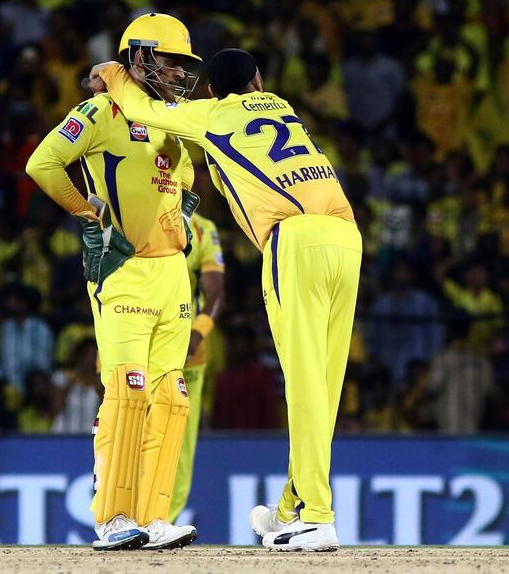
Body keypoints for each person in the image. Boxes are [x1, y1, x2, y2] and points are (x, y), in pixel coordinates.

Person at [92, 47, 362, 552]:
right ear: (259, 79)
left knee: (304, 385)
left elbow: (142, 110)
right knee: (325, 385)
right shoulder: (281, 105)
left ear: (212, 89)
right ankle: (291, 509)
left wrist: (110, 73)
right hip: (347, 237)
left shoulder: (212, 112)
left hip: (295, 240)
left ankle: (319, 516)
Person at [26, 13, 200, 551]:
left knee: (171, 396)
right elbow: (44, 163)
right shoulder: (100, 109)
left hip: (173, 271)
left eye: (183, 65)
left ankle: (154, 518)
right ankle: (112, 517)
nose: (179, 74)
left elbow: (187, 176)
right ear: (142, 58)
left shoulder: (171, 116)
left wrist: (184, 214)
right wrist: (89, 213)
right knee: (128, 390)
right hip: (123, 269)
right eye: (171, 62)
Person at [169, 211, 225, 522]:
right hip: (143, 338)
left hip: (189, 351)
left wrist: (198, 331)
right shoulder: (138, 211)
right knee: (131, 425)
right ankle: (121, 515)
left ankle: (165, 520)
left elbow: (215, 290)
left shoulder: (203, 228)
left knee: (181, 443)